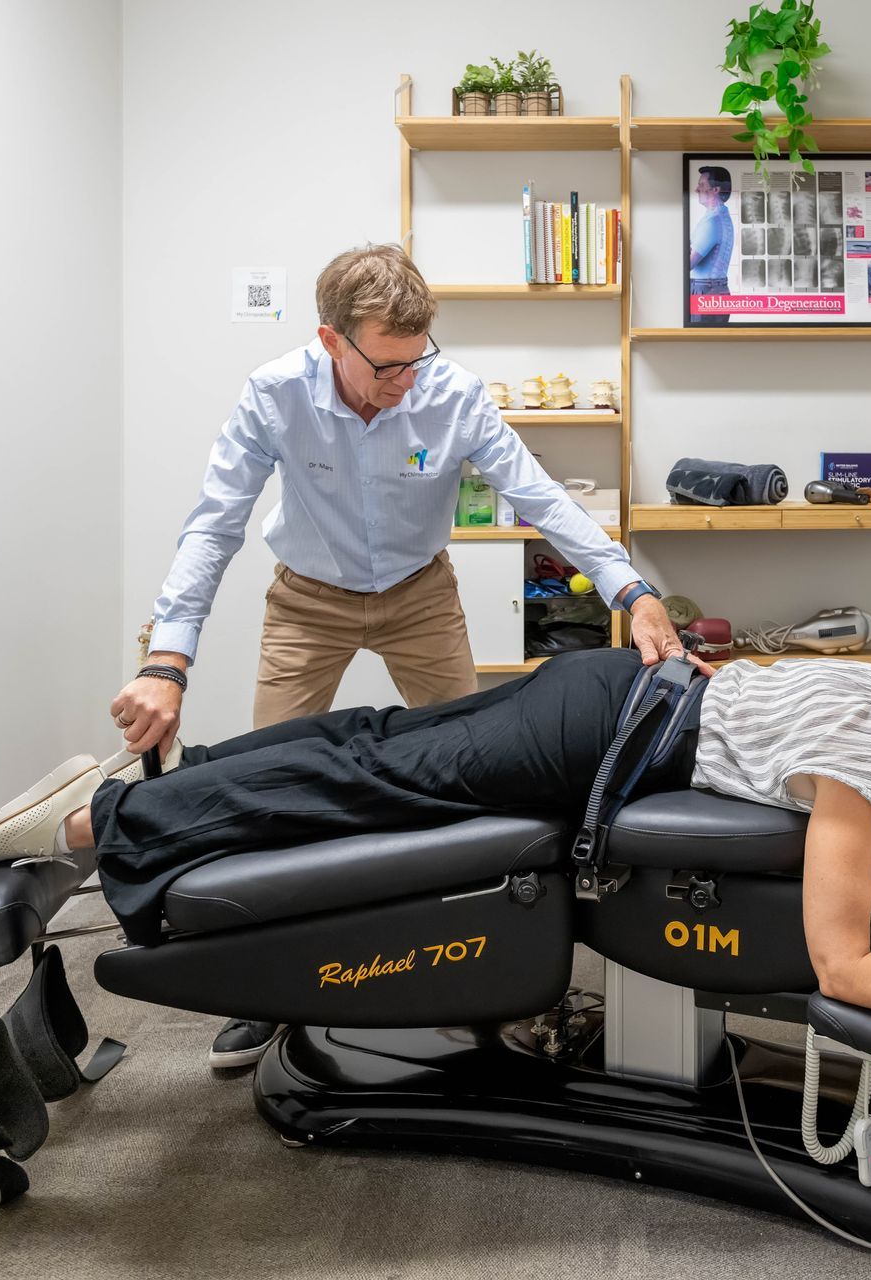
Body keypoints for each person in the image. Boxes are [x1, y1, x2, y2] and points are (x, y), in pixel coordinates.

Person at [0, 650, 871, 1119]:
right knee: (369, 777)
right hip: (590, 742)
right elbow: (844, 963)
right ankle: (108, 818)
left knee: (367, 740)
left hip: (608, 690)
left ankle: (156, 779)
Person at [111, 243, 699, 1066]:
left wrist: (629, 591)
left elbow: (540, 497)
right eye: (387, 366)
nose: (406, 382)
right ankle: (258, 984)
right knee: (262, 783)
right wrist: (167, 663)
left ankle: (479, 956)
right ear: (330, 341)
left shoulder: (451, 394)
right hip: (307, 600)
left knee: (482, 778)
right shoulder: (276, 395)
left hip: (421, 596)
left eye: (417, 360)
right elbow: (213, 527)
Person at [687, 165, 735, 326]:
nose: (696, 189)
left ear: (715, 189)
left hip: (706, 292)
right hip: (715, 290)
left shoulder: (713, 221)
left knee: (698, 346)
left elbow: (688, 264)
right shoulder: (722, 216)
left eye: (701, 185)